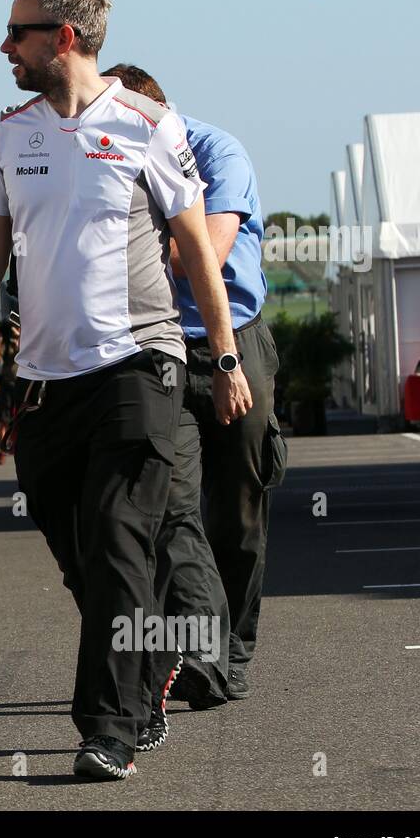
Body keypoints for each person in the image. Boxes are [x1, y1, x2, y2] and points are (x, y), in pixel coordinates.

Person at [0, 0, 250, 781]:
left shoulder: (148, 126)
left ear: (63, 38)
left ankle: (108, 729)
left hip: (140, 361)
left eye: (18, 32)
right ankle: (147, 672)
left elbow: (197, 247)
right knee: (80, 553)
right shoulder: (10, 134)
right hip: (45, 379)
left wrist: (227, 355)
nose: (5, 46)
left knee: (116, 537)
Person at [102, 64, 287, 717]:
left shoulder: (217, 152)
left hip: (232, 343)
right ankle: (200, 656)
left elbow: (198, 253)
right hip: (159, 350)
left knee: (238, 509)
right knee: (170, 506)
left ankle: (234, 648)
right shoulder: (114, 162)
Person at [0, 310, 21, 464]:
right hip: (7, 384)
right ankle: (2, 450)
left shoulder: (22, 339)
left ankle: (19, 448)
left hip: (21, 384)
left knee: (20, 420)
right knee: (3, 420)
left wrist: (18, 335)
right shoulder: (5, 343)